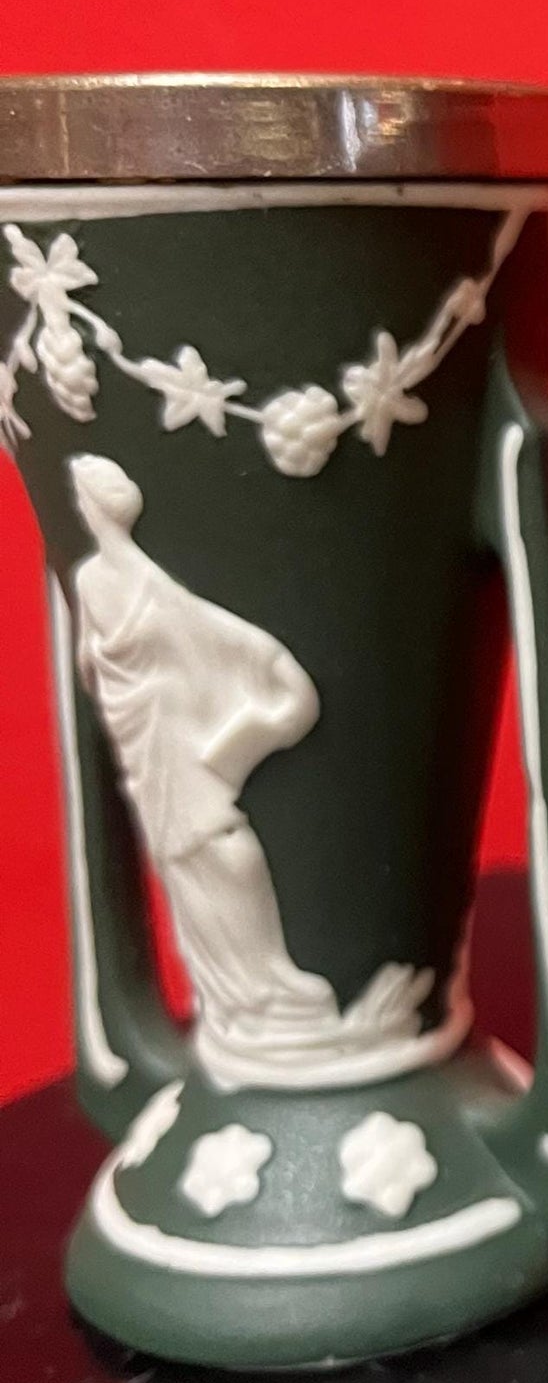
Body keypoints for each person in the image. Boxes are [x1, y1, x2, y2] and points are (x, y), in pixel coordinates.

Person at [68, 452, 379, 1078]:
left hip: (180, 729)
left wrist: (260, 659)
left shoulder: (151, 584)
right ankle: (238, 998)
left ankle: (269, 978)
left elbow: (203, 625)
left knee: (227, 851)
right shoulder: (91, 580)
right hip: (149, 734)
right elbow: (89, 660)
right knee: (185, 860)